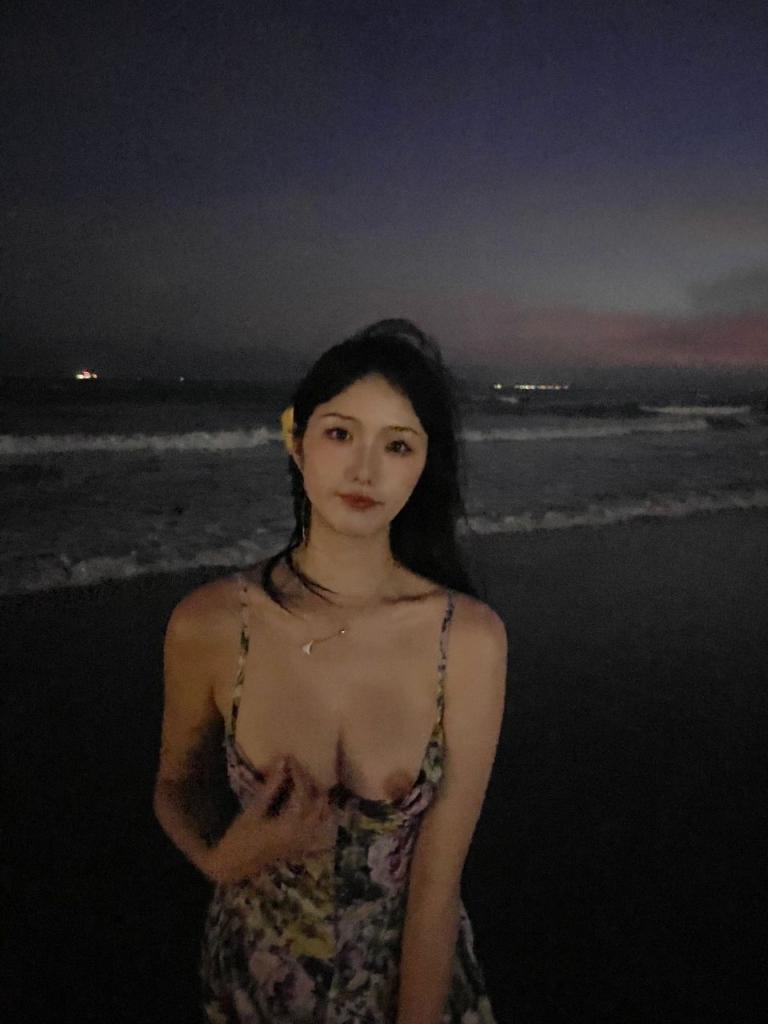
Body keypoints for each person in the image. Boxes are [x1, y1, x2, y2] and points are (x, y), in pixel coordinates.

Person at [153, 319, 507, 1023]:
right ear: (297, 443)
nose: (365, 470)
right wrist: (221, 860)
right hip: (254, 978)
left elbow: (437, 888)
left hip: (410, 982)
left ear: (423, 465)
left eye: (397, 445)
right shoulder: (212, 625)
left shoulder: (468, 640)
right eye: (341, 434)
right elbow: (175, 784)